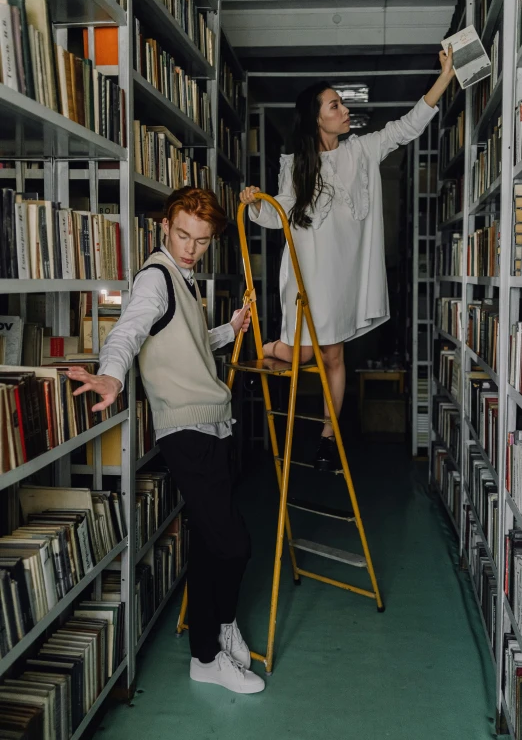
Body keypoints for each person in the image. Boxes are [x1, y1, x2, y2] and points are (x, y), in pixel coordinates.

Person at [66, 187, 265, 695]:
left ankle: (209, 646)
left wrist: (229, 328)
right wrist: (111, 374)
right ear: (163, 227)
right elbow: (129, 330)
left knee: (209, 542)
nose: (189, 248)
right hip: (188, 430)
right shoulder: (156, 278)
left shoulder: (184, 279)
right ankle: (215, 637)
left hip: (210, 423)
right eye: (182, 235)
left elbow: (189, 343)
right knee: (235, 544)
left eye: (200, 240)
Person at [240, 47, 454, 470]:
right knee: (302, 356)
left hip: (341, 275)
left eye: (342, 102)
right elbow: (279, 211)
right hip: (307, 272)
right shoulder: (295, 164)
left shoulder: (362, 150)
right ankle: (264, 349)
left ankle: (327, 437)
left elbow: (408, 125)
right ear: (317, 118)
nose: (344, 109)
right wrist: (253, 202)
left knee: (334, 357)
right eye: (335, 104)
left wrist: (446, 75)